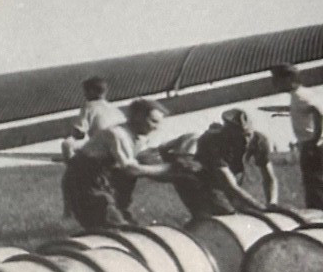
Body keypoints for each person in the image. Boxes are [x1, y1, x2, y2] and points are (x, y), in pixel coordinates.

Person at [61, 97, 177, 230]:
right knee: (115, 228)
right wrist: (167, 168)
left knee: (128, 226)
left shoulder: (134, 136)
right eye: (153, 121)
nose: (156, 128)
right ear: (138, 116)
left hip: (101, 183)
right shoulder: (118, 135)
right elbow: (130, 169)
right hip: (86, 185)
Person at [167, 108, 279, 219]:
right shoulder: (213, 142)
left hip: (225, 180)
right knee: (222, 215)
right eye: (240, 137)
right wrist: (261, 208)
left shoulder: (259, 140)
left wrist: (272, 204)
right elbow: (230, 186)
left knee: (244, 212)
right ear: (228, 134)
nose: (245, 141)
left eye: (248, 135)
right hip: (196, 179)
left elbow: (269, 177)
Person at [273, 64, 323, 209]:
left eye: (278, 79)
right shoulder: (303, 94)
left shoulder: (301, 95)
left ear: (289, 78)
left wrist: (315, 139)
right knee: (313, 185)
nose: (276, 84)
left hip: (312, 146)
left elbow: (319, 113)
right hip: (311, 145)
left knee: (315, 186)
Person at [60, 74, 125, 160]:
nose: (84, 95)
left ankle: (73, 166)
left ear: (91, 91)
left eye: (85, 91)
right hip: (122, 147)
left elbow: (79, 133)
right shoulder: (115, 109)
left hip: (103, 148)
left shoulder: (89, 106)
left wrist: (69, 134)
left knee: (66, 144)